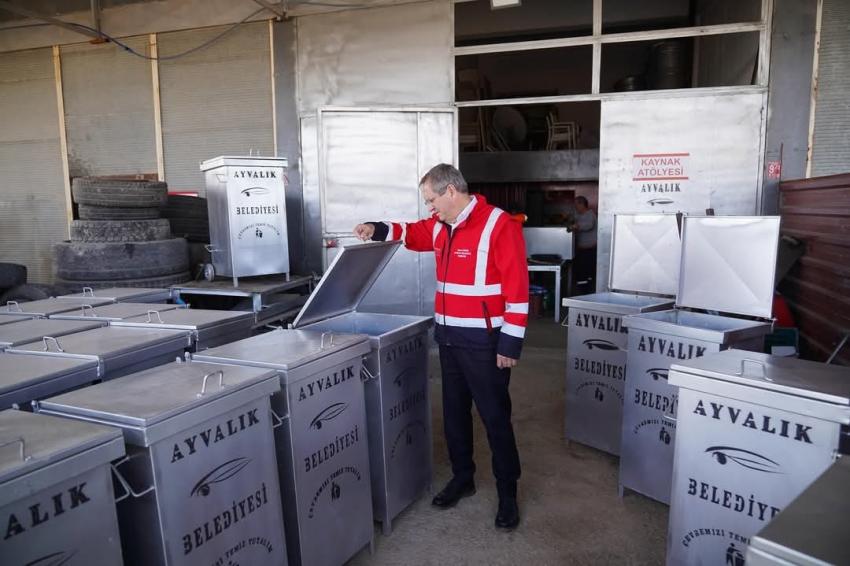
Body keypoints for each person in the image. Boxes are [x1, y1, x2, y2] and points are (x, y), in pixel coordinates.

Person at [353, 164, 528, 531]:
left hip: (485, 342)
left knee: (495, 418)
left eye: (431, 200)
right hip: (449, 337)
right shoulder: (438, 226)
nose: (429, 208)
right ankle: (463, 478)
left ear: (451, 191)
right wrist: (375, 228)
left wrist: (510, 344)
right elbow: (409, 232)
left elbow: (517, 289)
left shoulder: (499, 225)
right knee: (454, 415)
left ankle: (507, 493)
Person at [570, 196, 597, 294]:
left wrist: (576, 226)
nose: (575, 207)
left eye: (576, 205)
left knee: (586, 274)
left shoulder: (590, 215)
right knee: (581, 273)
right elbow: (572, 219)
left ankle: (585, 293)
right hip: (581, 250)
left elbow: (589, 226)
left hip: (589, 250)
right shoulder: (578, 215)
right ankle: (582, 291)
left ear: (582, 204)